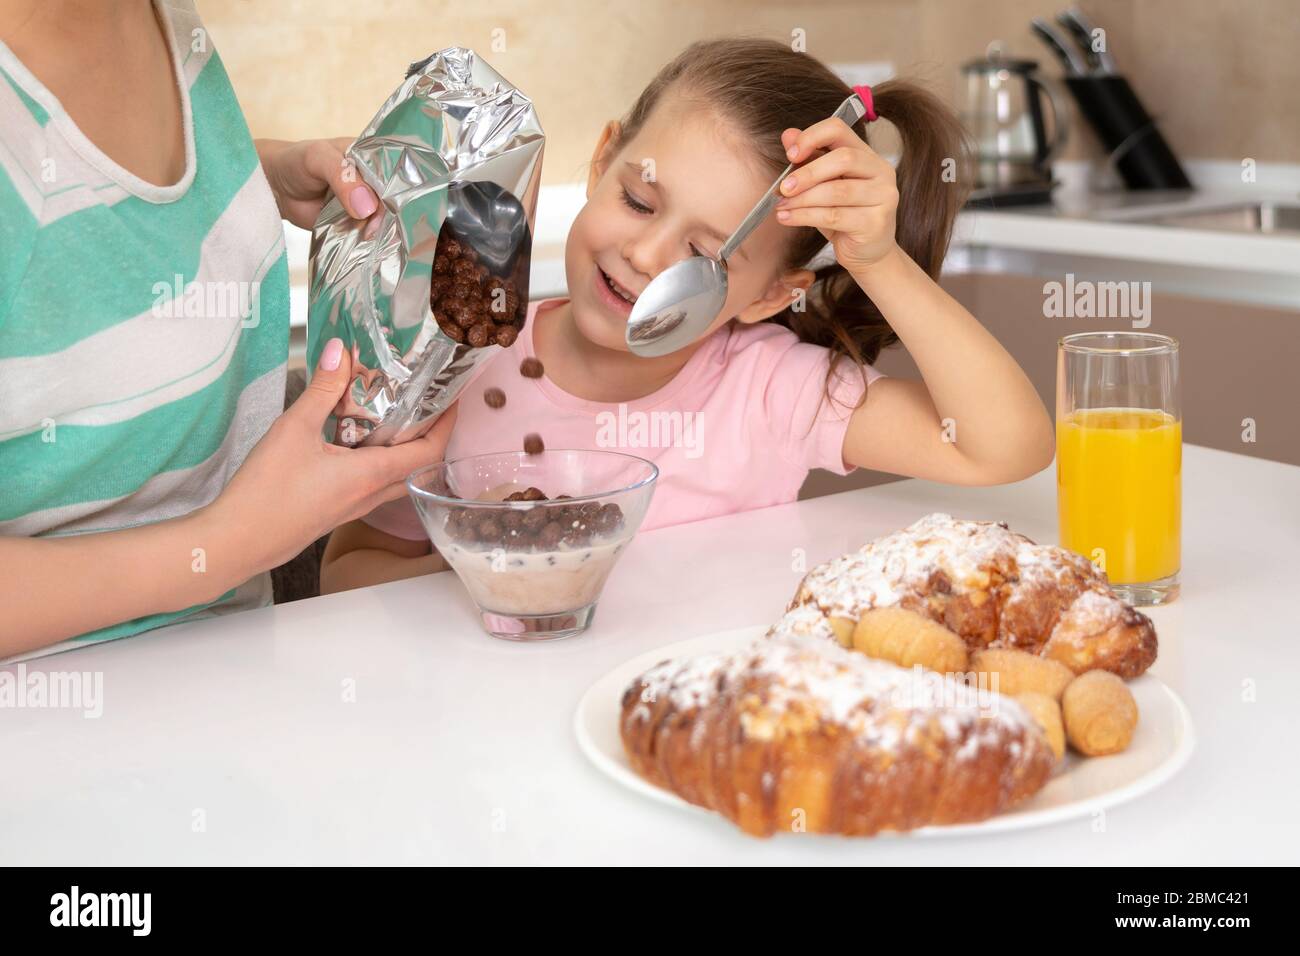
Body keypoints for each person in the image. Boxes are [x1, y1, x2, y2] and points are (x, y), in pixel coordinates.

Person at [320, 38, 1054, 594]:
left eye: (703, 253)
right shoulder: (461, 358)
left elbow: (1004, 448)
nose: (644, 255)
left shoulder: (772, 391)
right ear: (604, 158)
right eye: (638, 201)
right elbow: (347, 568)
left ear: (770, 295)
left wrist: (879, 261)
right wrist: (499, 583)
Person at [0, 0, 452, 658]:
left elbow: (64, 237)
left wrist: (242, 181)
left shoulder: (151, 14)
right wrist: (227, 544)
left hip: (227, 690)